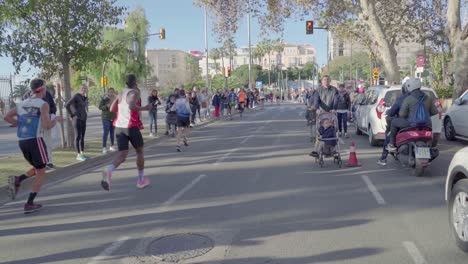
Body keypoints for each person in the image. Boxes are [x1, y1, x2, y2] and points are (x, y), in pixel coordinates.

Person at [5, 78, 62, 213]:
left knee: (38, 167)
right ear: (42, 89)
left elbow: (6, 116)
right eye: (45, 88)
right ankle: (29, 203)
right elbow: (47, 126)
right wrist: (56, 120)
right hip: (36, 141)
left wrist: (20, 124)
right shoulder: (43, 104)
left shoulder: (21, 103)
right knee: (42, 172)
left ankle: (18, 179)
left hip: (22, 141)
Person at [101, 74, 152, 191]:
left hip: (119, 127)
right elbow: (132, 106)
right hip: (131, 126)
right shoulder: (134, 92)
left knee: (122, 155)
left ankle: (108, 170)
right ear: (135, 82)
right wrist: (145, 108)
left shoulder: (121, 93)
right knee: (139, 151)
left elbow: (111, 109)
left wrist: (120, 114)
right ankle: (141, 180)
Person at [386, 78, 438, 152]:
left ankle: (391, 144)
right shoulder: (428, 98)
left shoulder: (408, 99)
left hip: (411, 124)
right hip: (427, 125)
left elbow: (402, 114)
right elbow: (434, 112)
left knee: (394, 122)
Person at [377, 84, 410, 165]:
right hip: (421, 124)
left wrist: (390, 114)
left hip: (405, 123)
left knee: (389, 135)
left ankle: (383, 158)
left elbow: (392, 111)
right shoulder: (421, 97)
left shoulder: (402, 99)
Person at [66, 84, 89, 161]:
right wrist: (72, 115)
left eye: (85, 88)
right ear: (80, 89)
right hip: (77, 119)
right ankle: (78, 155)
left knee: (82, 137)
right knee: (78, 136)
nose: (84, 89)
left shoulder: (84, 98)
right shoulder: (76, 96)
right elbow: (67, 105)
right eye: (82, 88)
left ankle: (82, 154)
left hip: (83, 119)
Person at [99, 88, 117, 154]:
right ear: (108, 92)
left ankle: (112, 146)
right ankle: (104, 147)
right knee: (106, 132)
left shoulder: (115, 99)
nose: (111, 93)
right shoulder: (104, 98)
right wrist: (106, 106)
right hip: (105, 117)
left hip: (113, 117)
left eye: (112, 92)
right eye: (110, 92)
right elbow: (100, 107)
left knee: (112, 132)